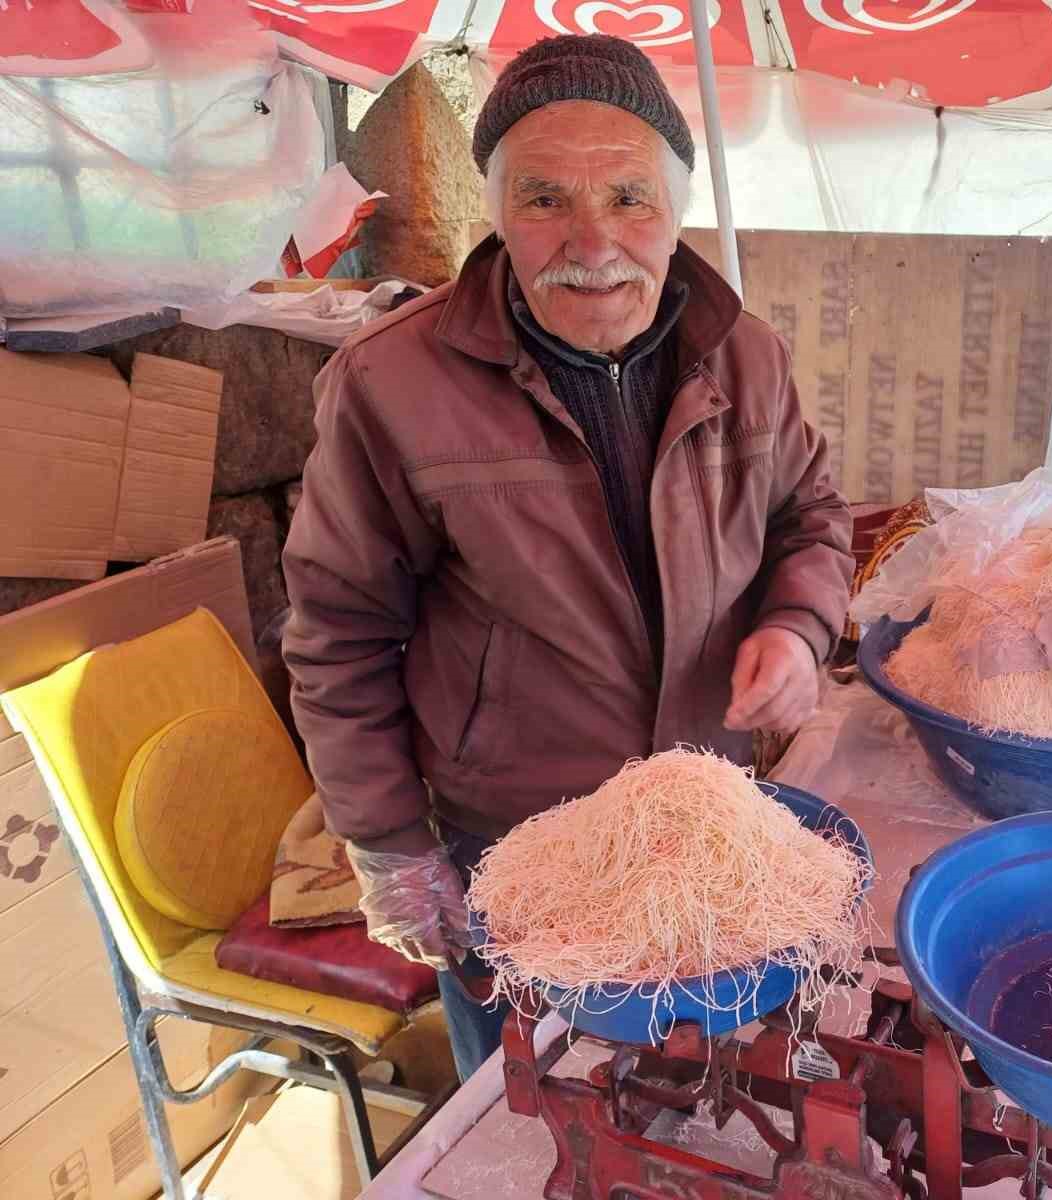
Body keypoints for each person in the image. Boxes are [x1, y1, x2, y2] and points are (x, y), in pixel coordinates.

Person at [281, 34, 853, 1083]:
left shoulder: (748, 355)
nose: (592, 244)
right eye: (545, 200)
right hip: (517, 844)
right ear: (494, 212)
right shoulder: (390, 386)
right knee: (528, 1108)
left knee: (702, 1091)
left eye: (630, 198)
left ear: (674, 210)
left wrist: (795, 627)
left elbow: (811, 517)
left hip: (704, 825)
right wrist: (390, 843)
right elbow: (338, 636)